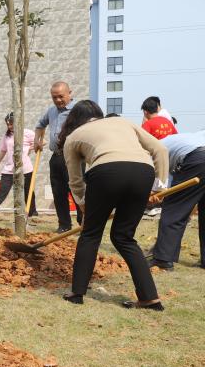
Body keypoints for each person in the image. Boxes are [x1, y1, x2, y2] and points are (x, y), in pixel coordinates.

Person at [59, 101, 168, 310]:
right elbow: (160, 149)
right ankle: (150, 298)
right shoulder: (123, 122)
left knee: (91, 234)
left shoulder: (74, 136)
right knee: (124, 237)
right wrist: (159, 187)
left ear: (74, 120)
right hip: (143, 172)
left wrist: (82, 203)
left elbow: (75, 179)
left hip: (106, 172)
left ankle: (77, 293)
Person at [147, 130, 205, 271]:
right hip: (196, 157)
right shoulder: (179, 139)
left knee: (175, 210)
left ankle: (163, 259)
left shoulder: (149, 151)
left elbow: (160, 180)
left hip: (197, 158)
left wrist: (155, 192)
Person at [34, 81, 82, 232]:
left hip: (73, 157)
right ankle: (64, 225)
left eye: (61, 96)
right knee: (58, 192)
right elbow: (40, 125)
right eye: (54, 97)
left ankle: (84, 224)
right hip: (56, 157)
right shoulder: (51, 111)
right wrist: (37, 140)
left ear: (69, 93)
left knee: (77, 191)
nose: (58, 100)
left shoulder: (78, 110)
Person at [0, 113, 38, 215]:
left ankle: (32, 213)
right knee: (2, 190)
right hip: (9, 168)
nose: (9, 126)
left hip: (25, 168)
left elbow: (42, 142)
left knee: (28, 191)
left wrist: (29, 148)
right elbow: (3, 150)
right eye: (8, 124)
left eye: (11, 124)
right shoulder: (7, 135)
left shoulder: (27, 133)